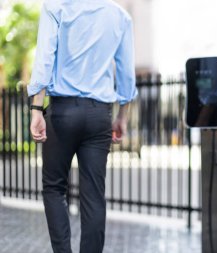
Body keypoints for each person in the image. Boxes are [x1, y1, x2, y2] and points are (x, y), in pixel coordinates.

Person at [27, 0, 137, 252]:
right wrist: (123, 116)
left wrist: (36, 108)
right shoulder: (120, 16)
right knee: (94, 195)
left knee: (54, 188)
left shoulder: (55, 7)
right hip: (100, 115)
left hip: (63, 112)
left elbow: (45, 58)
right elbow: (126, 73)